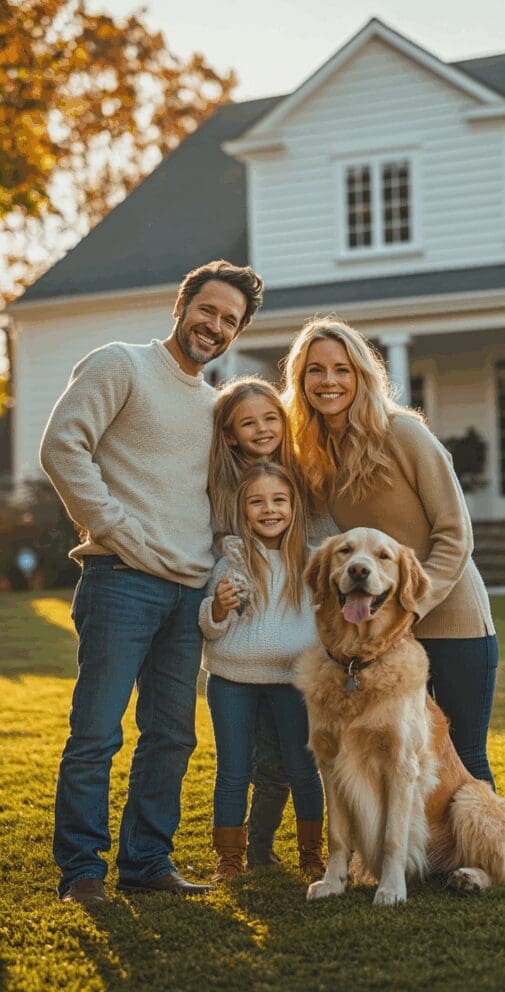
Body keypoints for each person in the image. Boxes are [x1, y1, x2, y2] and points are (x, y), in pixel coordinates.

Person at [39, 259, 264, 903]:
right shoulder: (122, 365)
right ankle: (82, 871)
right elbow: (62, 446)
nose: (215, 326)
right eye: (208, 310)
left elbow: (218, 499)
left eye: (230, 320)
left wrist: (225, 567)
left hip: (189, 592)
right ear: (181, 305)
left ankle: (146, 864)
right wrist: (115, 529)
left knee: (171, 735)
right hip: (121, 580)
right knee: (98, 732)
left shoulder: (215, 406)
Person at [282, 317, 499, 787]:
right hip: (378, 634)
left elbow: (455, 534)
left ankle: (490, 860)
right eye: (315, 371)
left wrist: (410, 610)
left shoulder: (404, 435)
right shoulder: (316, 455)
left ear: (362, 375)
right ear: (301, 382)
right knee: (399, 761)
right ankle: (414, 860)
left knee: (461, 757)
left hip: (452, 619)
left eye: (342, 369)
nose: (329, 381)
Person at [200, 462, 325, 882]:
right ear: (242, 509)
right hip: (231, 680)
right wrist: (218, 607)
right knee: (233, 770)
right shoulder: (232, 561)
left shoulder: (310, 564)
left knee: (301, 767)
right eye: (257, 501)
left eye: (278, 500)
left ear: (294, 507)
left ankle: (311, 853)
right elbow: (208, 624)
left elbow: (326, 624)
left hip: (292, 681)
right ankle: (230, 858)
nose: (269, 509)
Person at [209, 378, 301, 867]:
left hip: (289, 663)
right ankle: (233, 854)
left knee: (282, 765)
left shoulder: (299, 479)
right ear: (230, 434)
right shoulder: (222, 490)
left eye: (271, 418)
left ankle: (263, 846)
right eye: (248, 422)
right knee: (235, 767)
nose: (263, 429)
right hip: (237, 652)